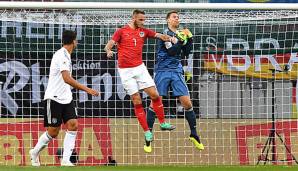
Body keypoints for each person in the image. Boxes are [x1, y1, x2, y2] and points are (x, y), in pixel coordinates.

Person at [105, 9, 175, 153]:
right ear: (134, 18)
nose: (143, 22)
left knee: (155, 95)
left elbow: (159, 35)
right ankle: (146, 131)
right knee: (137, 100)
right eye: (141, 20)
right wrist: (108, 51)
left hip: (139, 68)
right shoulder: (121, 31)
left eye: (144, 20)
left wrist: (170, 38)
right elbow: (109, 44)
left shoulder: (143, 31)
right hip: (125, 71)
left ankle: (162, 123)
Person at [29, 30, 100, 166]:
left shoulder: (67, 55)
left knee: (73, 125)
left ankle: (66, 160)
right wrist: (87, 89)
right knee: (53, 132)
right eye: (76, 40)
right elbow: (66, 78)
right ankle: (35, 151)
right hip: (54, 97)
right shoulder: (61, 55)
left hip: (66, 98)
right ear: (74, 41)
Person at [146, 10, 204, 151]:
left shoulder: (180, 34)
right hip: (163, 70)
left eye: (178, 17)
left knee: (187, 103)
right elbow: (172, 51)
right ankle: (148, 134)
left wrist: (189, 40)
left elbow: (186, 52)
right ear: (168, 20)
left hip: (176, 70)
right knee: (156, 101)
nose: (177, 19)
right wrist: (182, 39)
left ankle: (194, 134)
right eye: (174, 17)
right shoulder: (165, 35)